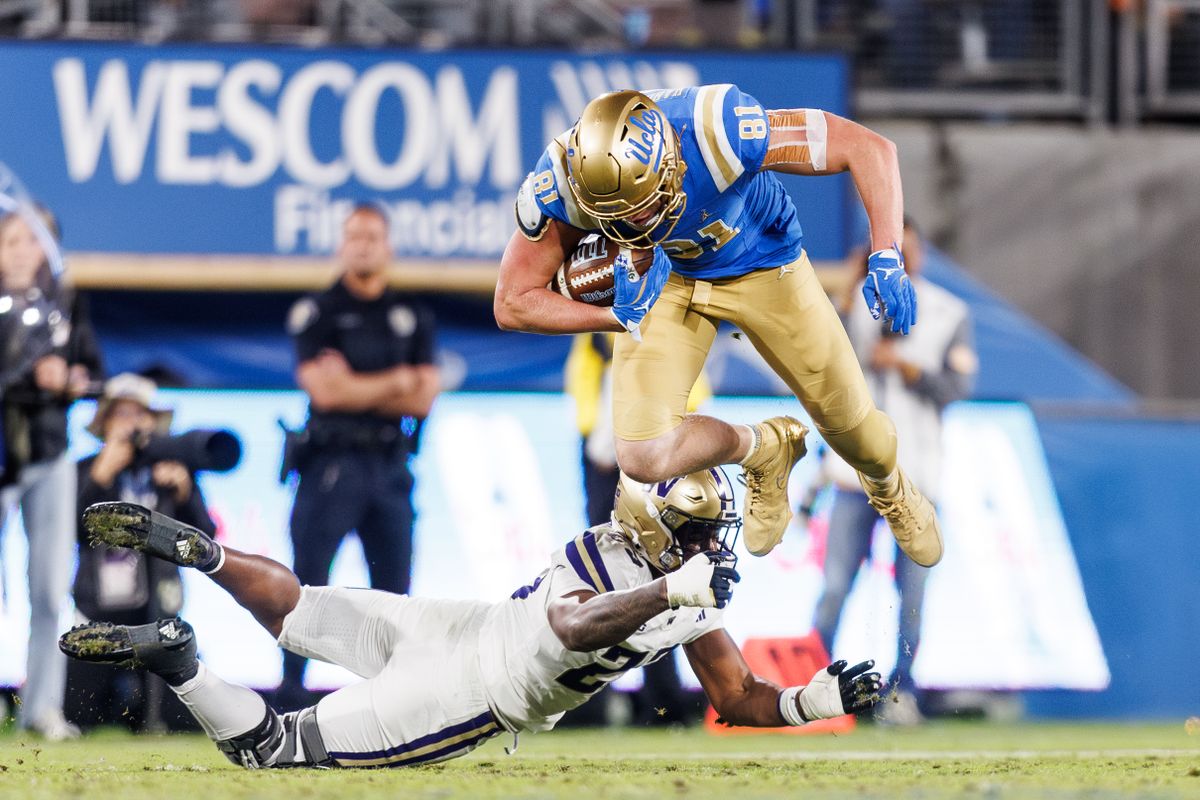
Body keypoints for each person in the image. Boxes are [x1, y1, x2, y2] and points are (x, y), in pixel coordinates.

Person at [62, 466, 882, 768]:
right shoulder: (625, 564)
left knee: (302, 607)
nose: (715, 546)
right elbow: (572, 627)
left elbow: (734, 694)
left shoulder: (673, 579)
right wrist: (676, 592)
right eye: (701, 534)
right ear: (665, 534)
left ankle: (204, 556)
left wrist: (818, 702)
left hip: (453, 627)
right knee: (273, 750)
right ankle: (177, 659)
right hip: (466, 693)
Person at [493, 86, 941, 573]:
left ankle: (890, 486)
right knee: (641, 453)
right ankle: (765, 448)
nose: (633, 221)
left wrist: (886, 253)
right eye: (616, 214)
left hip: (765, 265)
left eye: (641, 204)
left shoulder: (718, 128)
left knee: (859, 437)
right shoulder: (558, 180)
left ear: (670, 161)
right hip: (666, 277)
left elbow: (868, 147)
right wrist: (614, 316)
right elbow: (512, 302)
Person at [811, 220, 976, 724]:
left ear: (921, 255)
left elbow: (959, 387)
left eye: (907, 251)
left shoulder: (948, 310)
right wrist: (846, 298)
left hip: (916, 473)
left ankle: (900, 692)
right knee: (836, 583)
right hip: (854, 473)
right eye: (890, 252)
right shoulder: (853, 302)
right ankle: (815, 689)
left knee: (911, 595)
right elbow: (819, 365)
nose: (901, 261)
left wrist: (908, 368)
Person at [279, 203, 440, 705]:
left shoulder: (412, 314)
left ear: (388, 246)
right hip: (332, 461)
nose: (363, 245)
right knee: (309, 580)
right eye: (354, 236)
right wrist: (395, 380)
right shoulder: (319, 311)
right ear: (340, 245)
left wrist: (355, 383)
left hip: (391, 464)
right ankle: (290, 692)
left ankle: (392, 697)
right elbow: (325, 395)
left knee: (394, 588)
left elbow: (423, 397)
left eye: (373, 236)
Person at [564, 332, 712, 725]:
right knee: (611, 575)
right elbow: (584, 377)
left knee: (661, 575)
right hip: (613, 455)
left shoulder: (649, 304)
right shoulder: (604, 315)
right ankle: (605, 697)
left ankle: (663, 697)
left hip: (655, 450)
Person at [0, 209, 102, 739]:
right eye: (11, 239)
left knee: (47, 588)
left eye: (32, 241)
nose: (21, 250)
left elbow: (94, 371)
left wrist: (73, 378)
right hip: (2, 451)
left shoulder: (65, 303)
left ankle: (42, 708)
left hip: (49, 451)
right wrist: (24, 372)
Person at [67, 373, 215, 732]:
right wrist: (101, 477)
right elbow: (72, 531)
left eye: (140, 414)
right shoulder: (85, 470)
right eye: (122, 414)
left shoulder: (172, 469)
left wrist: (183, 493)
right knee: (78, 711)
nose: (132, 424)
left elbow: (206, 541)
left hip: (160, 614)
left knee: (184, 717)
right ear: (105, 424)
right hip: (101, 613)